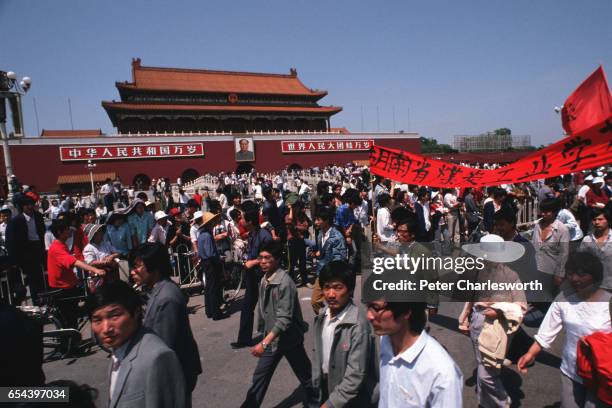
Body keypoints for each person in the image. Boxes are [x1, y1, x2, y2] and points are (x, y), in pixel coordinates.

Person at [518, 251, 611, 408]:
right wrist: (530, 354)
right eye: (571, 273)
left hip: (601, 373)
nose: (575, 279)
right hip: (571, 370)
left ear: (594, 276)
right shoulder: (563, 298)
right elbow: (546, 332)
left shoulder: (608, 301)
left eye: (581, 274)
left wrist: (599, 344)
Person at [240, 240, 317, 407]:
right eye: (260, 257)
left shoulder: (285, 283)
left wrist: (264, 342)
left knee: (306, 376)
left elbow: (284, 319)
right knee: (260, 377)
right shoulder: (265, 279)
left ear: (276, 259)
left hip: (288, 338)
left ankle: (317, 402)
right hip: (273, 339)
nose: (262, 262)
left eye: (267, 258)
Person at [87, 281, 186, 408]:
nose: (106, 328)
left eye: (114, 316)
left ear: (136, 312)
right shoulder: (119, 348)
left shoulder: (157, 358)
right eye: (97, 320)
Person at [459, 234, 527, 407]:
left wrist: (499, 311)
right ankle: (486, 403)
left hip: (498, 326)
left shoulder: (511, 275)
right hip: (477, 320)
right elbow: (471, 297)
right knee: (482, 364)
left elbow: (521, 306)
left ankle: (502, 401)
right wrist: (465, 317)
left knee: (487, 372)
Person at [129, 243, 202, 405]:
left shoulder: (166, 297)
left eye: (137, 267)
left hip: (175, 373)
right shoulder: (157, 289)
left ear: (154, 267)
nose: (132, 272)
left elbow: (161, 347)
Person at [366, 298, 463, 407]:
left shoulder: (443, 374)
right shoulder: (386, 339)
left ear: (406, 311)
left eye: (376, 308)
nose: (369, 316)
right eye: (368, 306)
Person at [313, 261, 378, 408]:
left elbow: (355, 375)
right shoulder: (322, 315)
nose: (331, 294)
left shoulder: (358, 325)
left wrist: (330, 404)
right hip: (327, 386)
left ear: (350, 290)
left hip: (351, 398)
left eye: (337, 288)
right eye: (327, 287)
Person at [47, 220, 105, 329]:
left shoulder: (62, 245)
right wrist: (95, 269)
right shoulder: (57, 248)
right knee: (68, 319)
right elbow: (74, 262)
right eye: (67, 229)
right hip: (62, 289)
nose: (69, 231)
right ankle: (69, 343)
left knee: (73, 316)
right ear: (59, 232)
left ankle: (73, 340)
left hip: (69, 284)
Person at [232, 201, 272, 349]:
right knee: (247, 307)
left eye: (242, 217)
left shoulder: (264, 235)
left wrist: (254, 262)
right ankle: (244, 339)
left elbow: (270, 257)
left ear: (249, 221)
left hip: (262, 277)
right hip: (251, 276)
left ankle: (275, 336)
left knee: (268, 308)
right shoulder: (253, 234)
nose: (240, 220)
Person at [6, 195, 46, 305]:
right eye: (26, 205)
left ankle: (45, 299)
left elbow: (42, 233)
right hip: (26, 252)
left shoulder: (38, 216)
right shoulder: (16, 221)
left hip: (38, 248)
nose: (29, 207)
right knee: (33, 278)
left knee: (42, 277)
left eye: (31, 204)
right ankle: (37, 302)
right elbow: (10, 241)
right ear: (22, 207)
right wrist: (14, 260)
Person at [311, 206, 348, 315]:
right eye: (315, 219)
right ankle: (326, 318)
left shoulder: (337, 237)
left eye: (318, 219)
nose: (316, 222)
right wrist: (317, 254)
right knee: (315, 301)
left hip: (332, 275)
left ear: (326, 220)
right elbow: (322, 252)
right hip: (321, 273)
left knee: (337, 302)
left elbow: (339, 259)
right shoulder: (320, 234)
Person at [531, 198, 570, 291]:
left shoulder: (562, 230)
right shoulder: (537, 225)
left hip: (551, 272)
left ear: (555, 212)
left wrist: (559, 275)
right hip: (535, 269)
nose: (543, 214)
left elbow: (564, 254)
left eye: (547, 211)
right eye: (542, 211)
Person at [197, 212, 226, 320]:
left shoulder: (201, 234)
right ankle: (216, 312)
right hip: (211, 262)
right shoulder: (208, 235)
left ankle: (209, 311)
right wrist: (218, 258)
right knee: (213, 287)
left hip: (205, 262)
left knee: (209, 287)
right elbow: (210, 253)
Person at [580, 208, 612, 291]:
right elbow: (580, 262)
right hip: (592, 286)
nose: (597, 222)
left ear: (608, 220)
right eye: (594, 220)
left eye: (600, 219)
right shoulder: (587, 240)